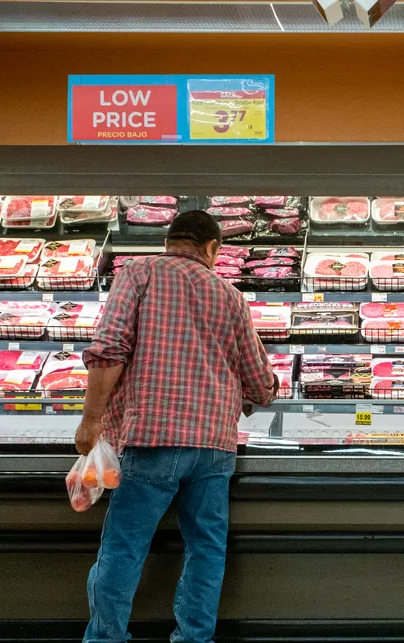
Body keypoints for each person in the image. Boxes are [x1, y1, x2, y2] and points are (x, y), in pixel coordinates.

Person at [76, 209, 278, 643]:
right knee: (206, 548)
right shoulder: (230, 294)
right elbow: (262, 387)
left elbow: (109, 349)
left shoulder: (139, 273)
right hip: (214, 448)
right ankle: (194, 638)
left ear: (170, 241)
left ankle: (106, 638)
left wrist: (91, 421)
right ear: (212, 249)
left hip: (151, 438)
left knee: (124, 548)